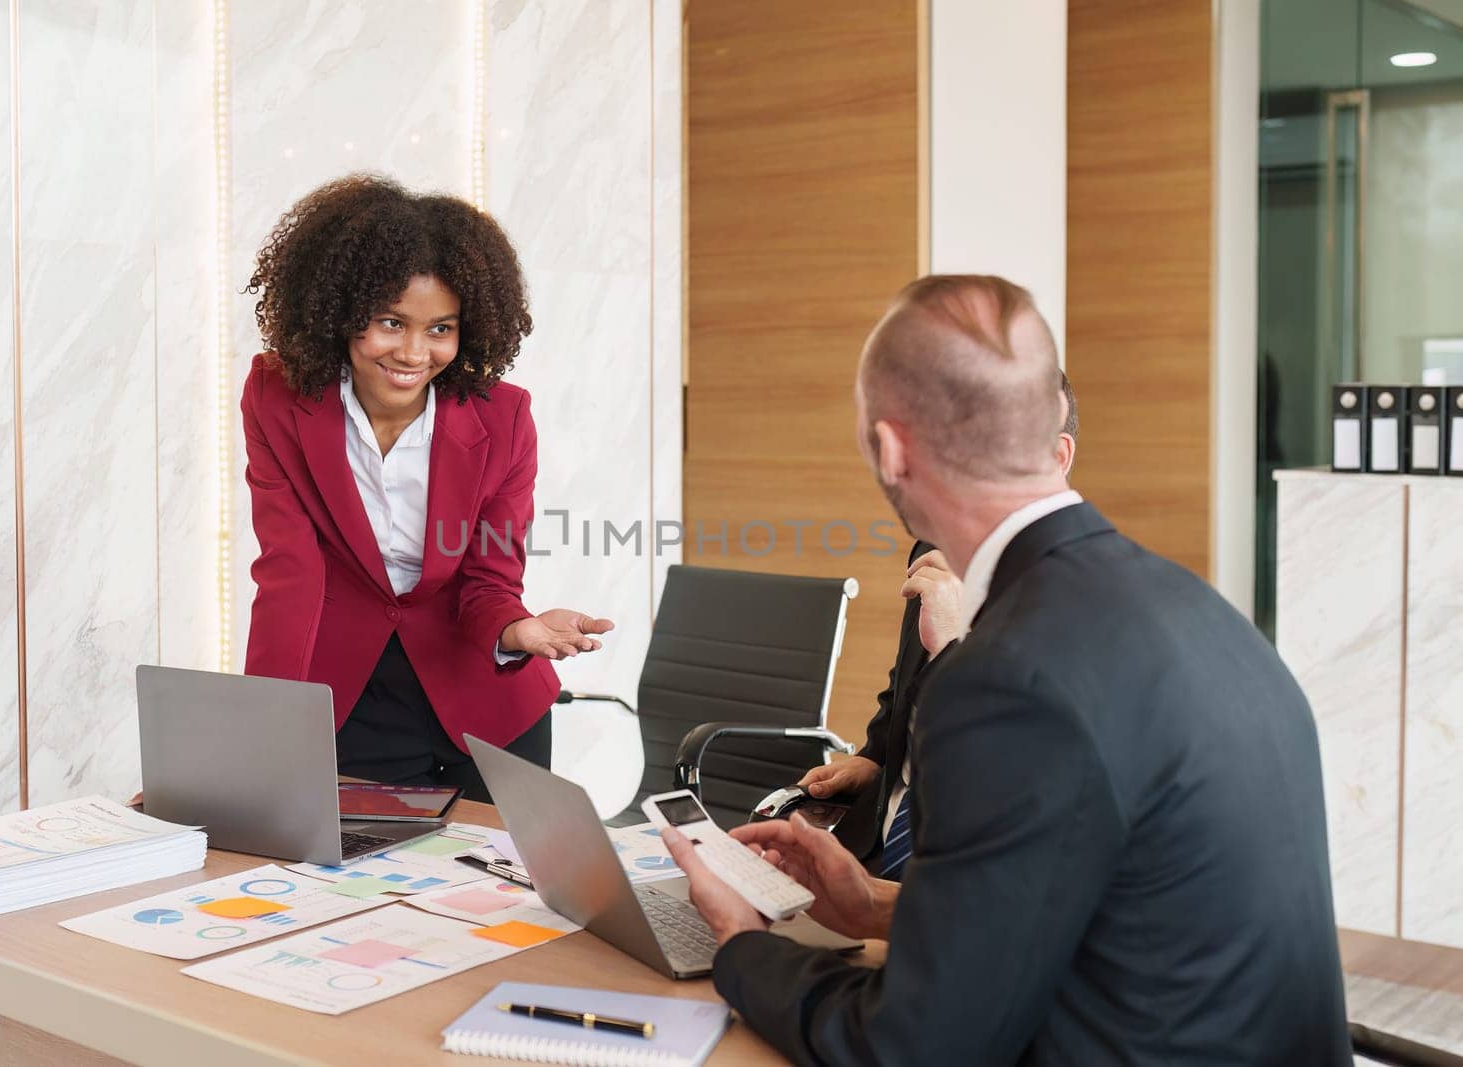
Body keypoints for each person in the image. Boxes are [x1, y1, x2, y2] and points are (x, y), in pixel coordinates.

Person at [663, 275, 1350, 1064]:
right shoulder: (1204, 613)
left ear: (888, 447)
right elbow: (1114, 914)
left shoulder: (1004, 681)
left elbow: (911, 1046)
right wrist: (883, 904)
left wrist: (740, 944)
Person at [240, 174, 613, 801]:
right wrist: (256, 733)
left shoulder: (504, 419)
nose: (415, 352)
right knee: (359, 887)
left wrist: (517, 630)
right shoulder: (278, 400)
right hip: (350, 700)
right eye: (391, 322)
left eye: (441, 328)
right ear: (339, 312)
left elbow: (489, 580)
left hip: (488, 704)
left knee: (500, 894)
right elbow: (290, 573)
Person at [800, 372, 1080, 877]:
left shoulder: (1083, 599)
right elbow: (905, 687)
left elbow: (1025, 777)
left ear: (1057, 458)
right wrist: (876, 760)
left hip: (974, 877)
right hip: (874, 851)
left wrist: (956, 643)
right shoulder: (936, 544)